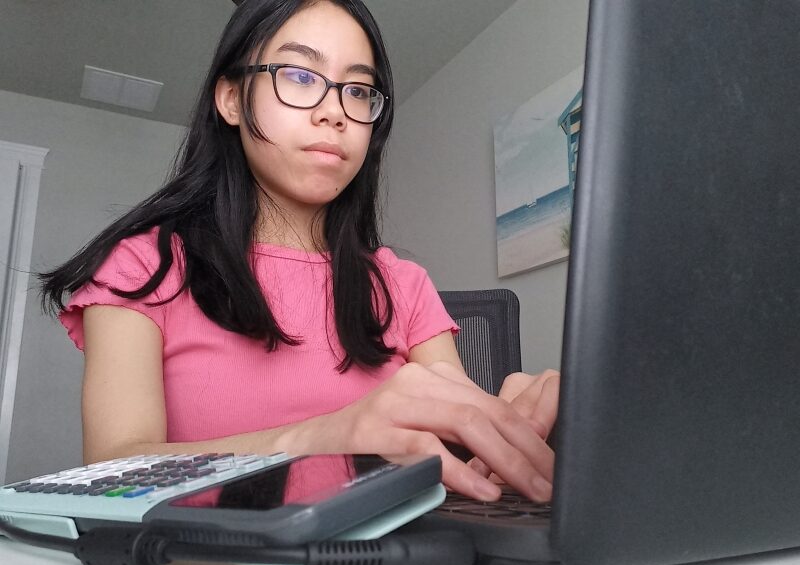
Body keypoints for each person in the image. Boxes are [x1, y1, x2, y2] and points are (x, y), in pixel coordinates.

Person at [39, 0, 560, 503]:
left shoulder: (403, 284)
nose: (335, 111)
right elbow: (111, 472)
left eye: (358, 90)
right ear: (231, 99)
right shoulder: (142, 266)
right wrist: (325, 438)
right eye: (300, 76)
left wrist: (515, 429)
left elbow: (453, 457)